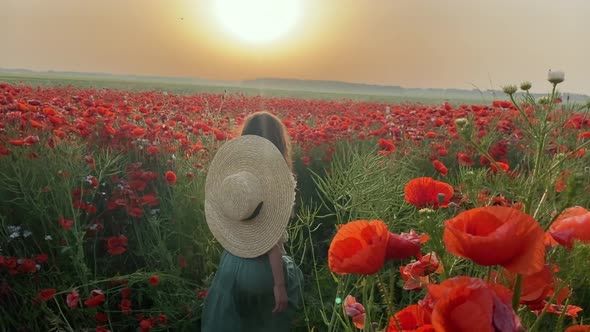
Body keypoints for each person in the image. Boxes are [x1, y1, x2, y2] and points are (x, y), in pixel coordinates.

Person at [201, 112, 303, 332]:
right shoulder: (274, 179)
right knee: (267, 321)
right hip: (262, 271)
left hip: (231, 264)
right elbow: (271, 242)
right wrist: (279, 284)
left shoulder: (235, 177)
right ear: (278, 141)